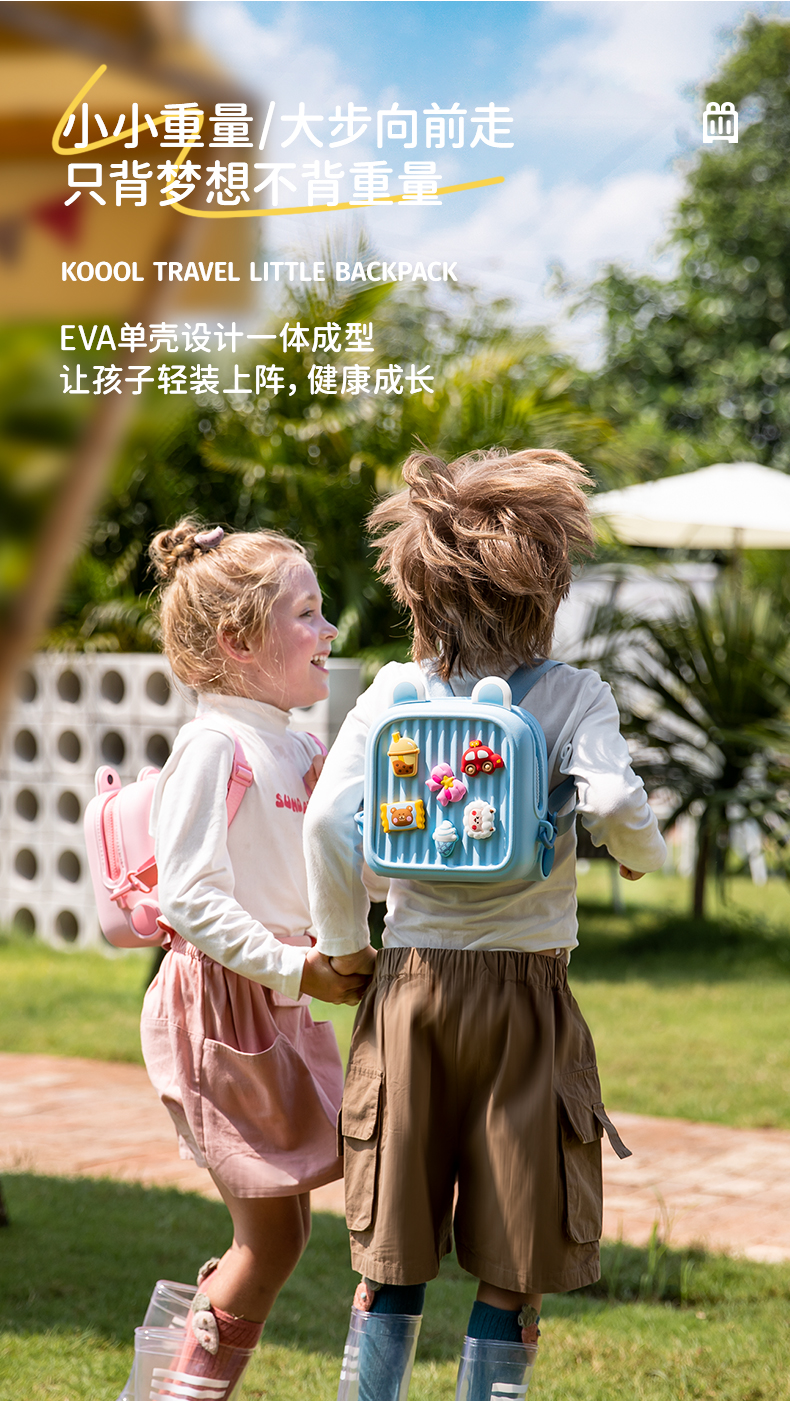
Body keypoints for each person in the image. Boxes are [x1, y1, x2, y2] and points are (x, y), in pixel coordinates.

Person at [303, 448, 667, 1402]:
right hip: (527, 996)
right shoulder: (573, 695)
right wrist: (640, 855)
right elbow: (616, 803)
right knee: (516, 1256)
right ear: (545, 585)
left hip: (410, 987)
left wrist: (345, 946)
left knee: (391, 1255)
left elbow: (327, 826)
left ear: (416, 586)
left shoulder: (392, 693)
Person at [137, 519, 368, 1401]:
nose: (329, 630)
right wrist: (300, 968)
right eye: (307, 615)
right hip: (225, 1007)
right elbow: (189, 899)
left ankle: (178, 1382)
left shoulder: (301, 746)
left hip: (275, 1000)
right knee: (268, 1240)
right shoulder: (213, 747)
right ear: (239, 641)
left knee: (281, 1238)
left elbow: (337, 866)